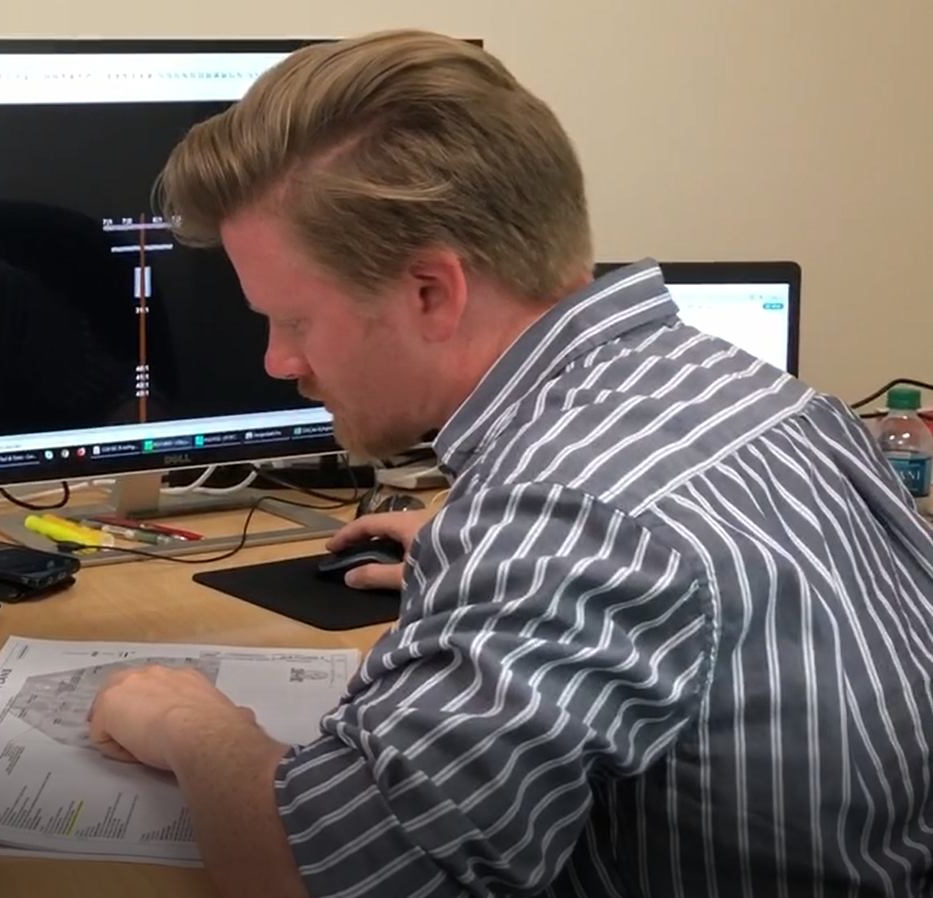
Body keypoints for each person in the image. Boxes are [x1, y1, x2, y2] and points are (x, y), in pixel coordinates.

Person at [85, 29, 933, 898]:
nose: (277, 360)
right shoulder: (763, 396)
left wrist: (191, 724)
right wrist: (480, 556)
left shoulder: (569, 519)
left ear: (431, 292)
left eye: (294, 320)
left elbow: (328, 876)